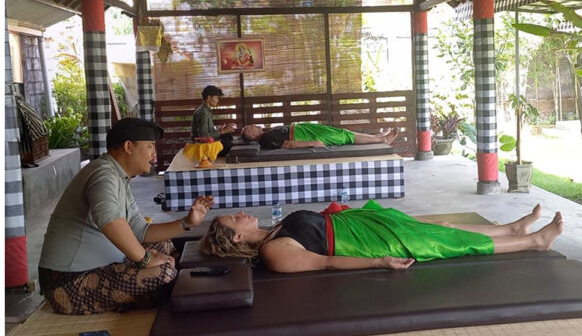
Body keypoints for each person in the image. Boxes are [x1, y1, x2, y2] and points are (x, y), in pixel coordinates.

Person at [38, 117, 215, 315]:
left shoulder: (119, 176)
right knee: (163, 273)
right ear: (129, 147)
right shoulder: (103, 175)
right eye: (149, 147)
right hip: (67, 282)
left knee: (164, 246)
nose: (154, 154)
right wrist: (145, 259)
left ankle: (151, 295)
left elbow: (140, 230)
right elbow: (109, 221)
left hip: (97, 267)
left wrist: (187, 222)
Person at [199, 200, 563, 273]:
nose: (242, 213)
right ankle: (534, 241)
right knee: (449, 243)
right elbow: (325, 261)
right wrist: (379, 261)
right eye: (236, 218)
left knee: (443, 227)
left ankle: (512, 229)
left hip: (362, 223)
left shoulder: (274, 228)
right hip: (368, 243)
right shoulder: (274, 251)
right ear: (235, 239)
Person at [241, 122, 399, 150]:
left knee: (342, 133)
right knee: (343, 137)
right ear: (251, 135)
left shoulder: (266, 134)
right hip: (304, 135)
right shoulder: (265, 139)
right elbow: (289, 144)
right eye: (250, 128)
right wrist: (313, 143)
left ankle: (378, 136)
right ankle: (383, 139)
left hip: (304, 130)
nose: (253, 125)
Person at [191, 85, 237, 155]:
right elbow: (204, 136)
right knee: (229, 145)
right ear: (209, 98)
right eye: (216, 98)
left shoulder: (206, 110)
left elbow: (208, 131)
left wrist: (222, 130)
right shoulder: (203, 113)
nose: (218, 100)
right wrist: (222, 131)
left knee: (227, 136)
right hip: (203, 146)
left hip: (207, 142)